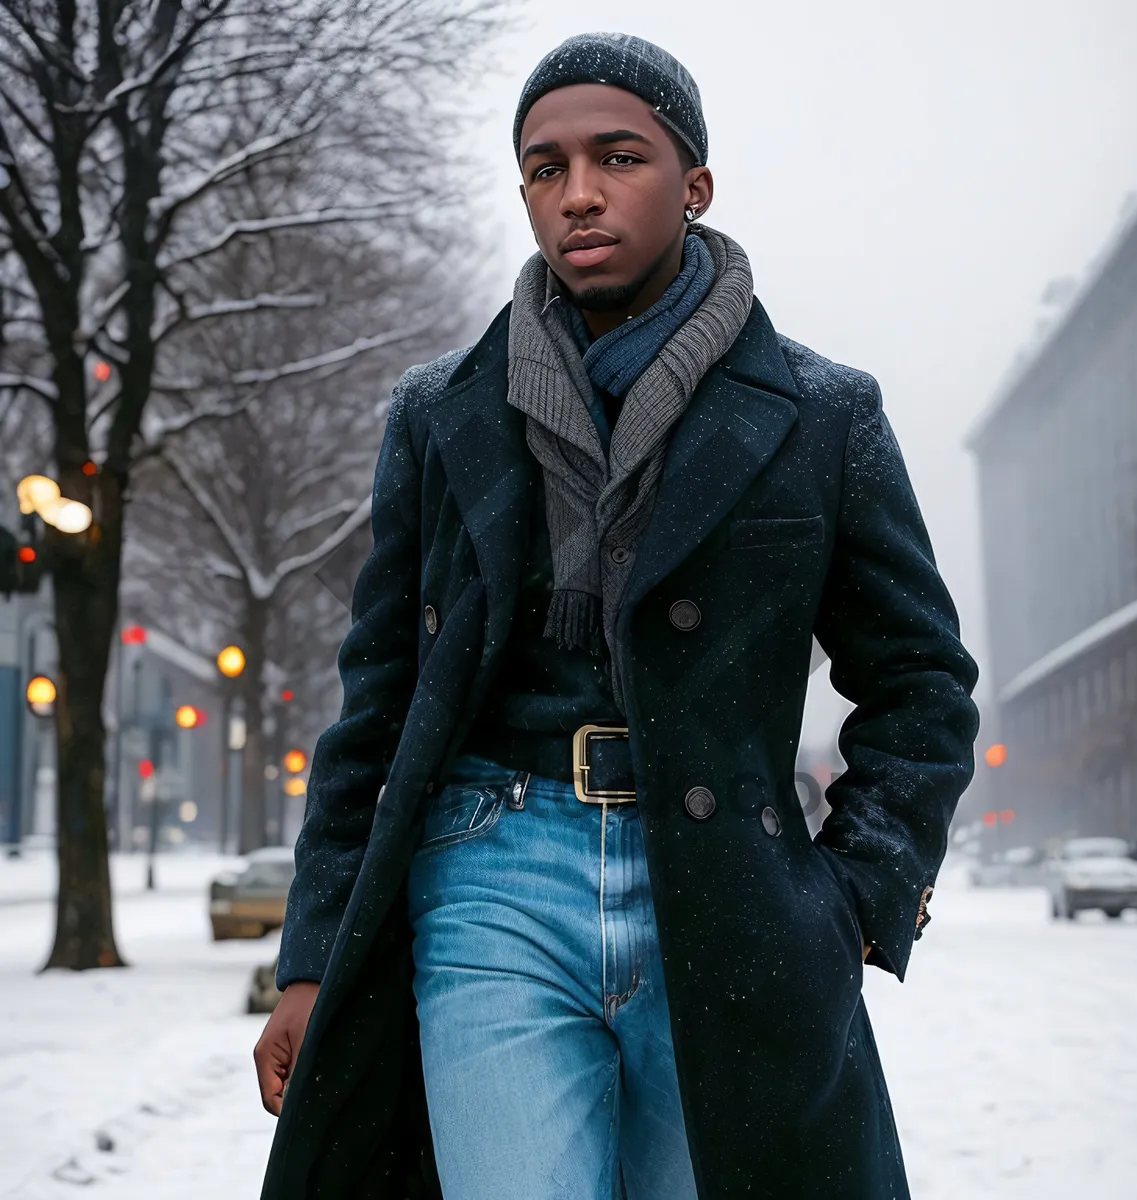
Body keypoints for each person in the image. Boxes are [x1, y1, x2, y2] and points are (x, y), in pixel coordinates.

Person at [254, 31, 979, 1200]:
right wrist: (313, 957)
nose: (578, 193)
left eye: (617, 157)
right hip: (491, 875)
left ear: (693, 185)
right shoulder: (440, 412)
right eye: (545, 168)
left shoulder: (823, 414)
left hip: (729, 892)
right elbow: (376, 702)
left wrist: (853, 897)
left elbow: (922, 686)